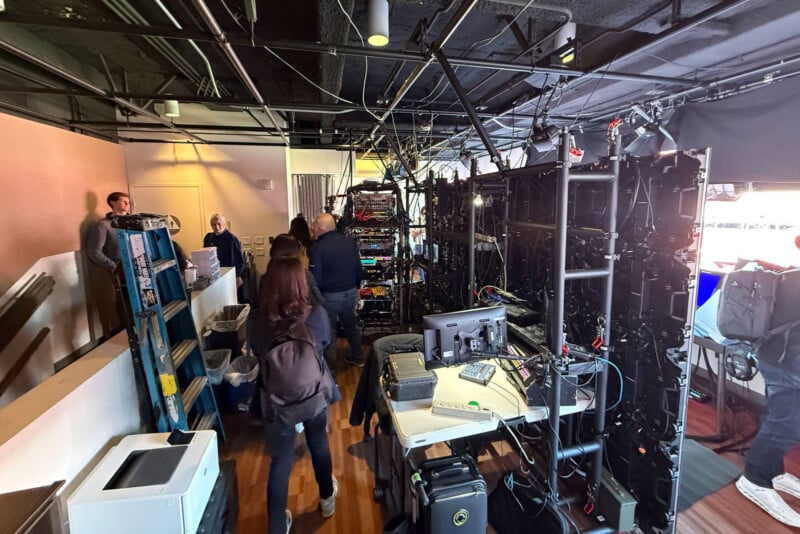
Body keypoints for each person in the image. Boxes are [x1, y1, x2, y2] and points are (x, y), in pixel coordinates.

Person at [257, 255, 338, 533]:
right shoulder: (316, 314)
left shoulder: (260, 320)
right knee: (318, 443)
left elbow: (256, 352)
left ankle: (278, 525)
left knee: (280, 462)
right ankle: (327, 499)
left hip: (277, 400)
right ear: (302, 282)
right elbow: (324, 343)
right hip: (312, 393)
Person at [736, 267, 800, 527]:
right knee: (786, 425)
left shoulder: (791, 274)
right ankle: (755, 479)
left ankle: (773, 472)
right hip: (787, 363)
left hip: (779, 359)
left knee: (778, 417)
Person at [309, 213, 364, 368]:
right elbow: (358, 269)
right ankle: (358, 357)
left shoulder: (318, 247)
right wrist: (357, 288)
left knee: (329, 330)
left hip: (330, 296)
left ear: (320, 228)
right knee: (352, 326)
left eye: (314, 227)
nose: (313, 229)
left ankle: (331, 368)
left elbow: (315, 277)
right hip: (350, 292)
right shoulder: (349, 242)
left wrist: (316, 298)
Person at [84, 191, 130, 336]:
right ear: (112, 203)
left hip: (138, 265)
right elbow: (94, 251)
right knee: (124, 301)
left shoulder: (133, 223)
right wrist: (113, 266)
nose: (126, 204)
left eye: (128, 201)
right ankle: (126, 332)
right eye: (123, 201)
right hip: (120, 269)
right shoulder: (103, 225)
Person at [269, 233, 324, 305]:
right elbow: (319, 300)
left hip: (275, 312)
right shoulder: (305, 275)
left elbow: (264, 304)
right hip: (302, 310)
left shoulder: (267, 277)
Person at [203, 213, 245, 288]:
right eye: (214, 224)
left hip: (228, 274)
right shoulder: (208, 238)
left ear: (224, 224)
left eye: (219, 224)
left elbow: (238, 259)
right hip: (213, 275)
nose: (217, 227)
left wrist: (237, 275)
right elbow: (205, 256)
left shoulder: (231, 239)